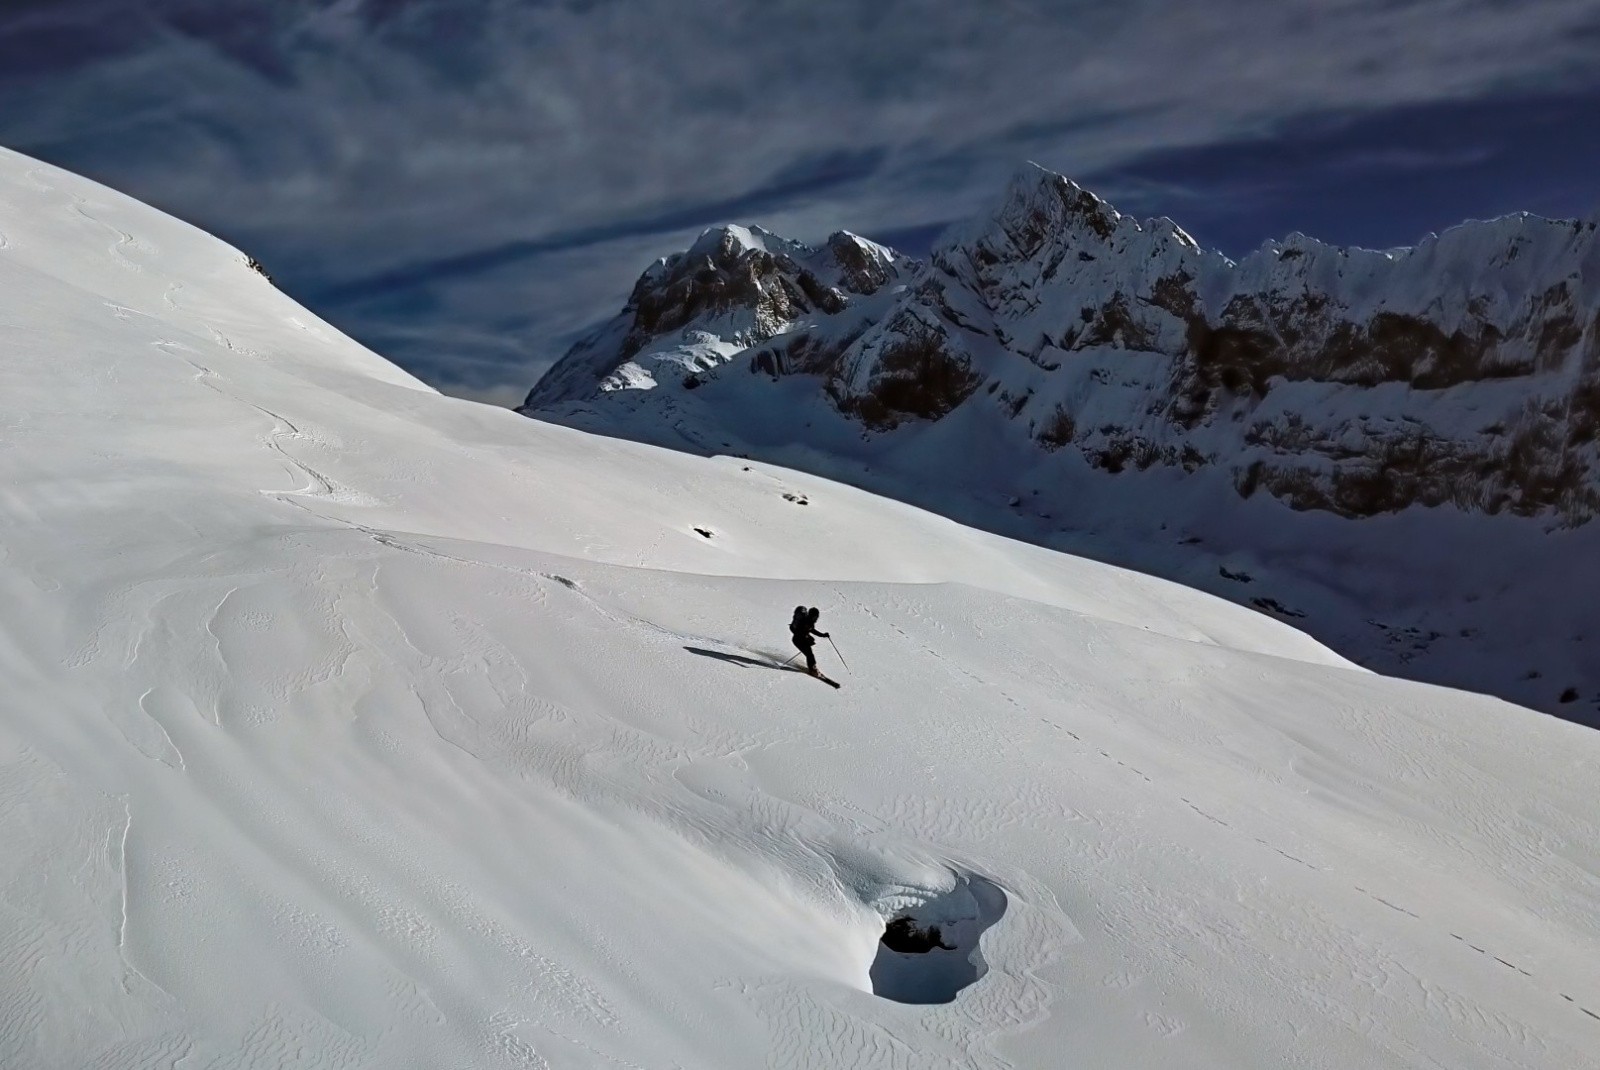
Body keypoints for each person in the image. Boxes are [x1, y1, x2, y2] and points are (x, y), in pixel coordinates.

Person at [788, 605, 829, 676]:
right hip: (798, 641)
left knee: (809, 654)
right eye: (816, 617)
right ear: (812, 616)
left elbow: (811, 630)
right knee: (809, 654)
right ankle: (812, 669)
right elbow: (800, 632)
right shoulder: (806, 622)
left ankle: (812, 667)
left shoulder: (809, 621)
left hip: (800, 640)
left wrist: (822, 635)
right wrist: (807, 637)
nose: (817, 619)